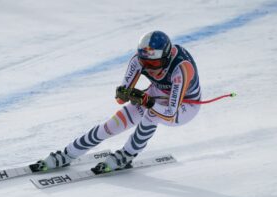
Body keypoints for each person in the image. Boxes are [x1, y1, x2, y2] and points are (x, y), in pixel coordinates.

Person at [35, 30, 201, 174]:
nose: (148, 67)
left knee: (151, 115)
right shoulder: (138, 60)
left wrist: (146, 100)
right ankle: (68, 153)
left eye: (154, 63)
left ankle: (127, 154)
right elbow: (121, 98)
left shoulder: (182, 69)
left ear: (165, 58)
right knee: (111, 125)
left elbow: (171, 111)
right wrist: (125, 93)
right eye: (145, 62)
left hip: (186, 106)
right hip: (157, 94)